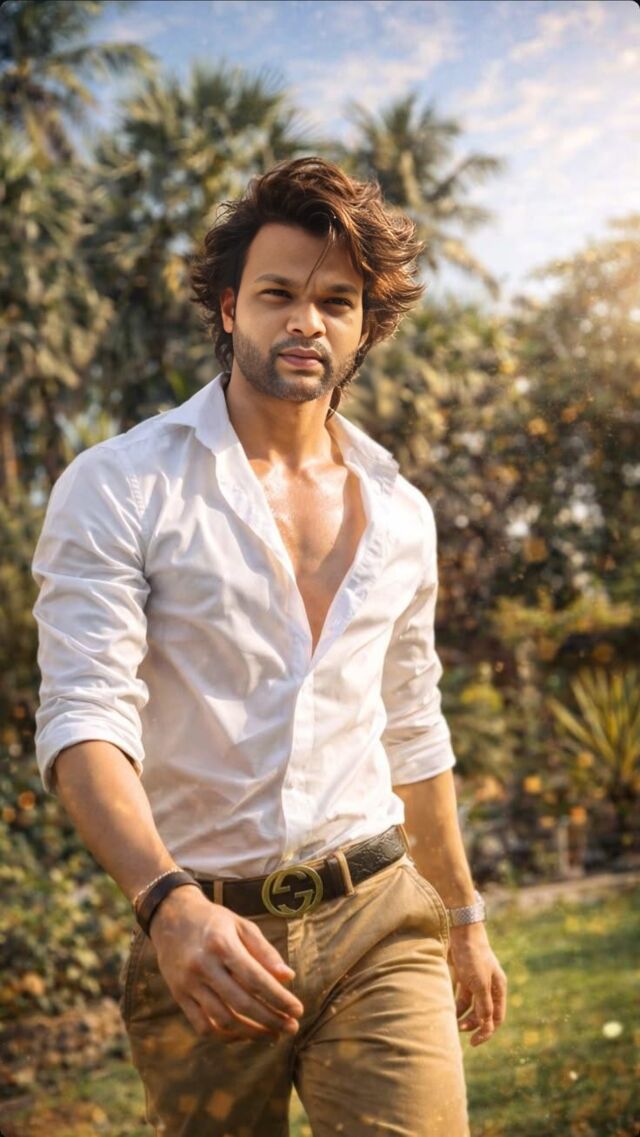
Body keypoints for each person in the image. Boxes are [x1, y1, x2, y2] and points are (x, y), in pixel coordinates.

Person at [31, 156, 507, 1137]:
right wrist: (166, 903)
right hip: (203, 932)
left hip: (377, 914)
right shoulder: (121, 484)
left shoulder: (401, 514)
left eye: (336, 302)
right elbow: (84, 717)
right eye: (278, 294)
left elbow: (412, 726)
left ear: (365, 326)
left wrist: (463, 918)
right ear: (228, 307)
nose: (306, 322)